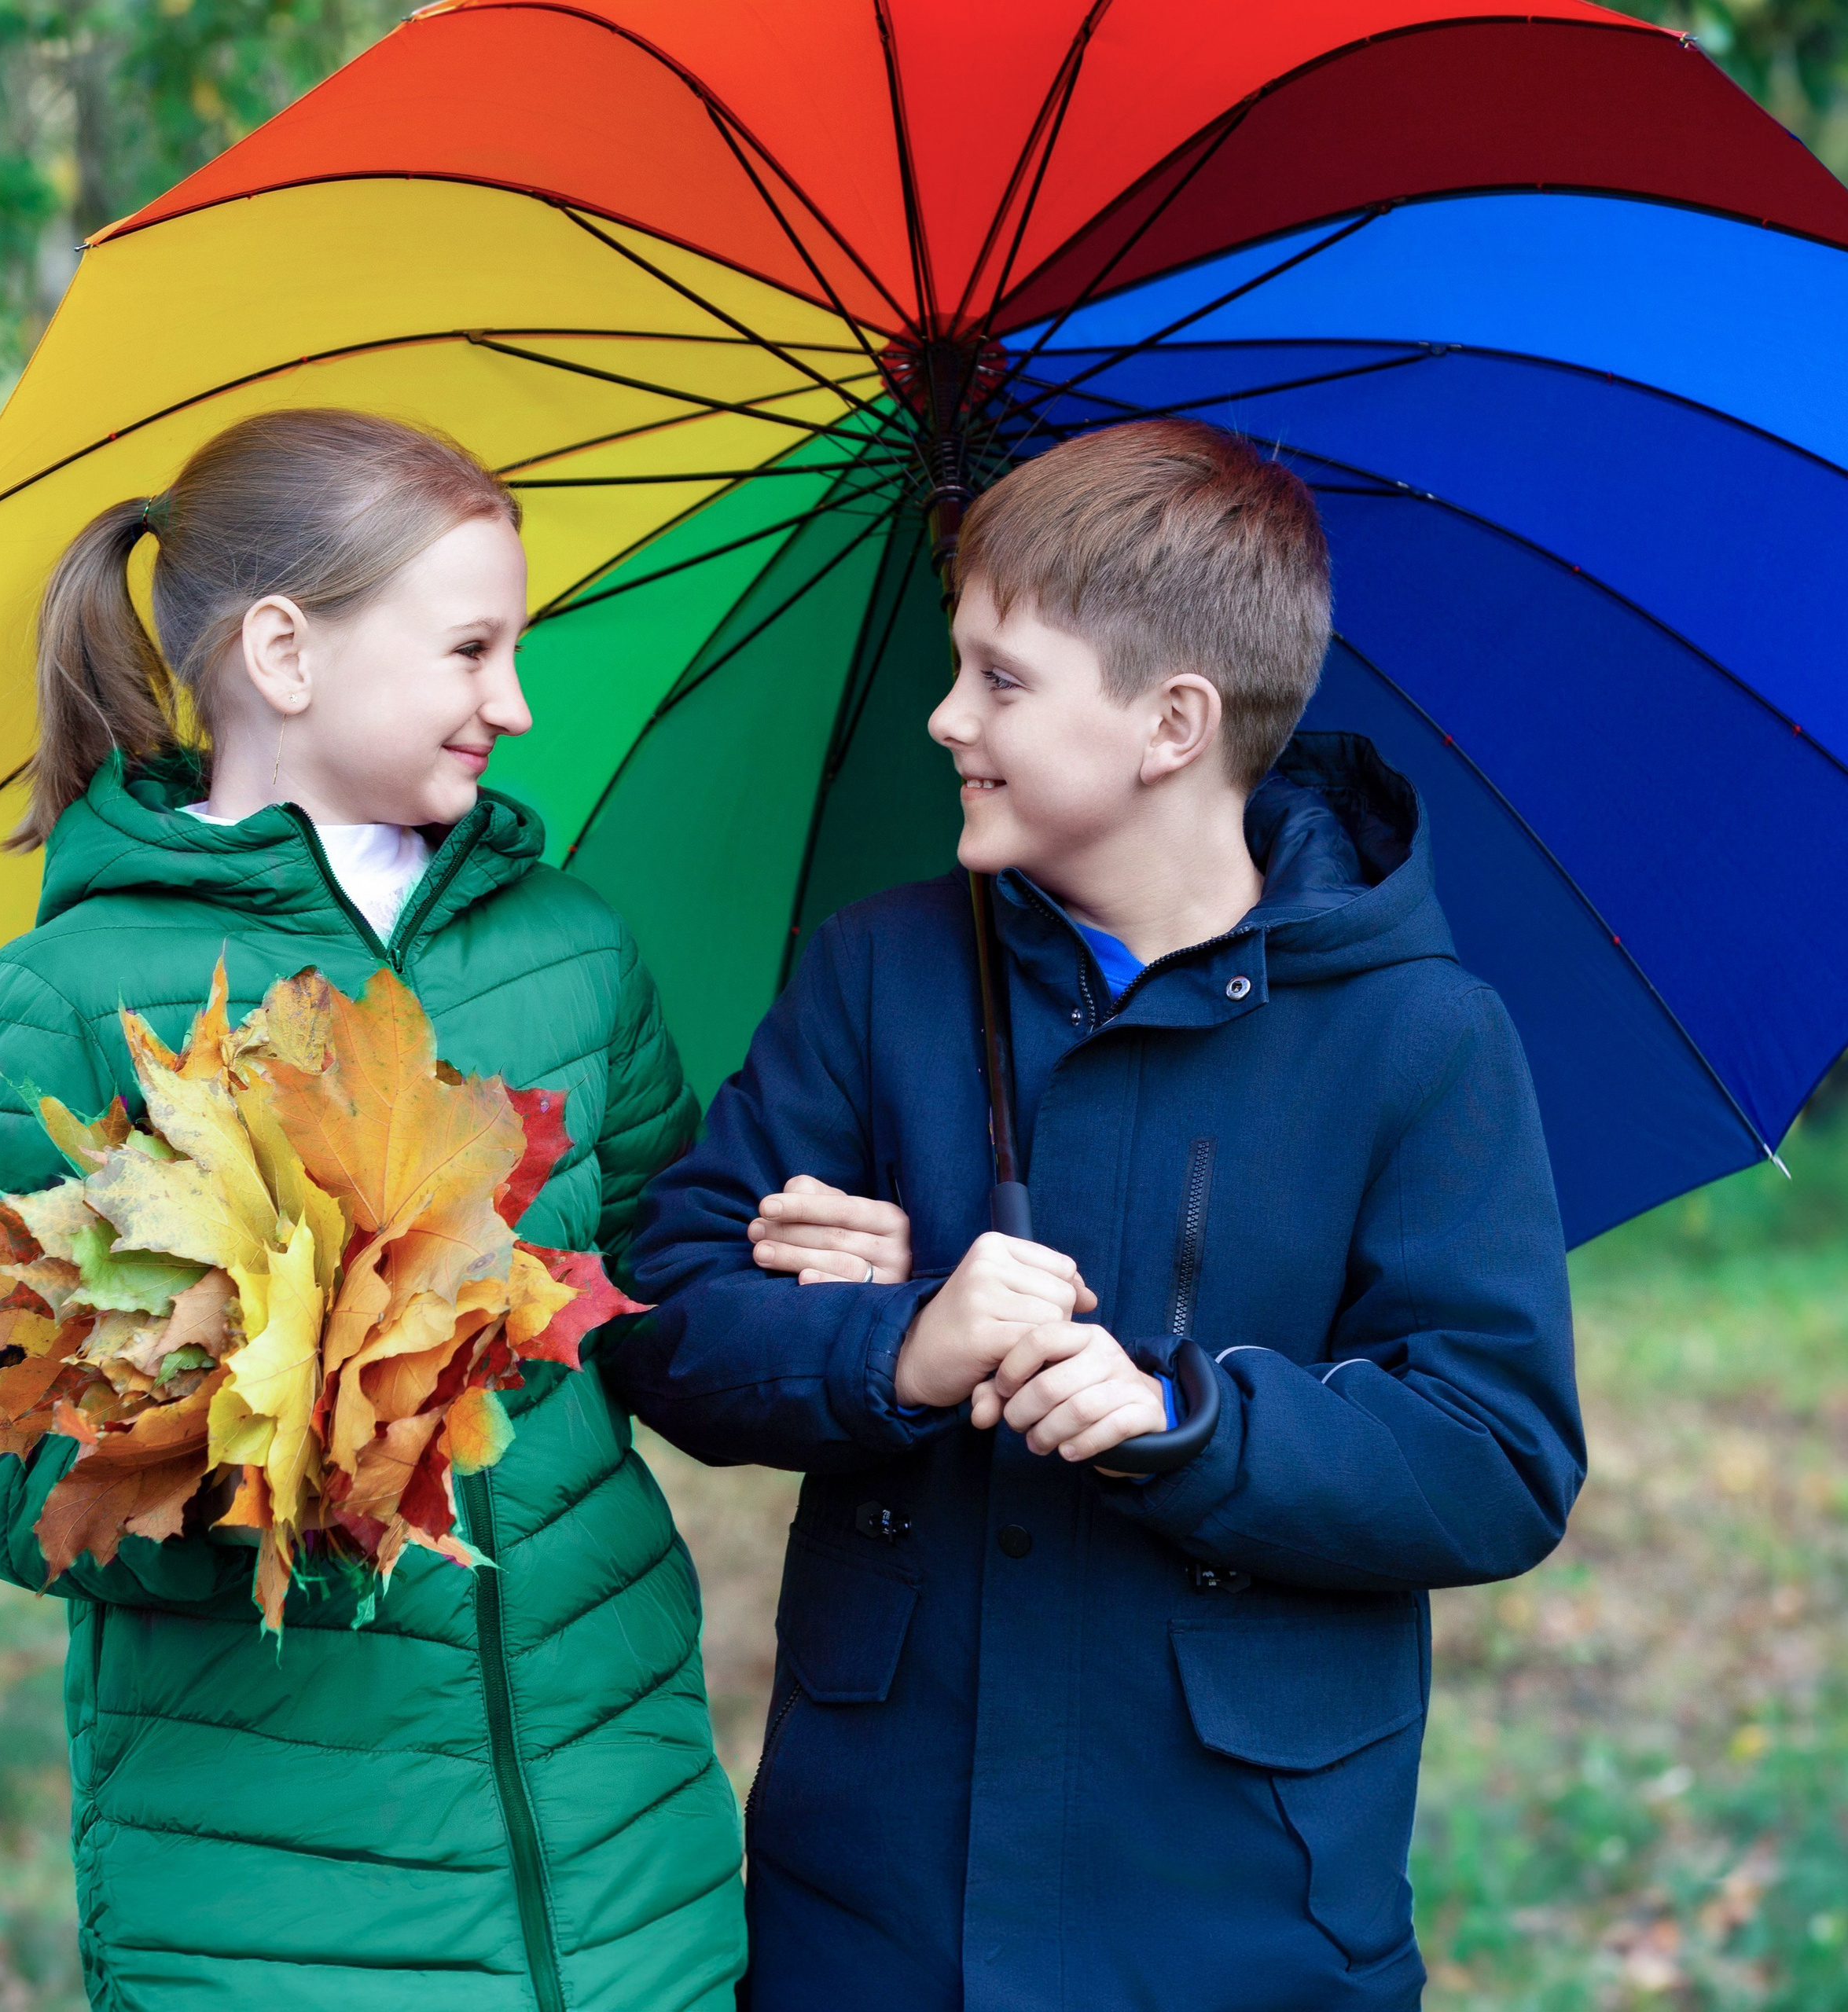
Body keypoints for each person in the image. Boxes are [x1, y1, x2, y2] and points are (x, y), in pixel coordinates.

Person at [612, 420, 1585, 2010]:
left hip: (1234, 1914)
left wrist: (1182, 1418)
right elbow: (668, 1317)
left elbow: (1492, 1454)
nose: (943, 717)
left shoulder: (1417, 1034)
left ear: (1167, 722)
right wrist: (898, 1342)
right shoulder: (880, 973)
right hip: (880, 1901)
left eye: (999, 679)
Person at [0, 409, 744, 2011]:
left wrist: (792, 1272)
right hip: (275, 1908)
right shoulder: (64, 997)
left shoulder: (572, 947)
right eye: (471, 646)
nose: (515, 701)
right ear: (284, 649)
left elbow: (666, 1293)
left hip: (625, 1878)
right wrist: (242, 1487)